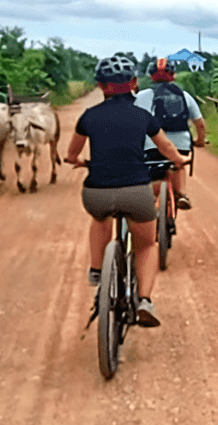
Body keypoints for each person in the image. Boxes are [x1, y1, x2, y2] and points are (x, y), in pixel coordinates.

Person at [66, 55, 190, 328]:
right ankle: (144, 300)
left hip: (96, 193)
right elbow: (167, 148)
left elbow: (71, 154)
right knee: (146, 244)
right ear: (134, 83)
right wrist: (180, 161)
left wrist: (80, 162)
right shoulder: (142, 116)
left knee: (100, 219)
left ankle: (97, 270)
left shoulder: (89, 116)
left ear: (100, 85)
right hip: (137, 192)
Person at [133, 58, 207, 210]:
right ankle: (181, 194)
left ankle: (153, 204)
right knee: (178, 163)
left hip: (152, 145)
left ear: (151, 76)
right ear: (173, 75)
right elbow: (200, 124)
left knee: (154, 179)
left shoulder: (141, 96)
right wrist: (199, 140)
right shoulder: (185, 96)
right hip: (181, 143)